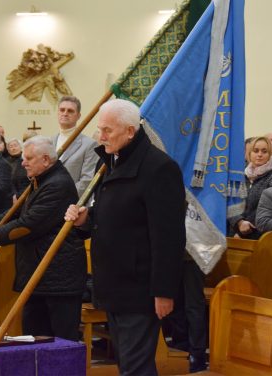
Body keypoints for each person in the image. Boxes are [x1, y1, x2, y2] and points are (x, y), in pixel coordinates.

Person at [65, 99, 186, 376]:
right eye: (99, 130)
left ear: (130, 131)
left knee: (135, 367)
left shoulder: (158, 168)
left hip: (140, 288)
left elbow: (169, 236)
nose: (100, 136)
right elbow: (112, 217)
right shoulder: (110, 162)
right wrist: (86, 220)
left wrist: (164, 291)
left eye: (107, 130)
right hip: (113, 284)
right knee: (129, 365)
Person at [0, 136, 86, 341]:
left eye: (28, 158)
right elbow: (21, 211)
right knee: (35, 336)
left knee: (61, 341)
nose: (23, 162)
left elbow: (30, 225)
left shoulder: (57, 184)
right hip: (39, 272)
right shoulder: (40, 180)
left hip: (57, 276)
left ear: (45, 160)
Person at [228, 136, 272, 240]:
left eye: (264, 151)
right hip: (233, 234)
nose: (259, 154)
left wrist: (243, 230)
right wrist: (239, 222)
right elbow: (231, 201)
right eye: (256, 151)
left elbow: (267, 209)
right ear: (249, 154)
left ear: (270, 154)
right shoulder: (241, 175)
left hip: (259, 236)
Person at [53, 96, 99, 196]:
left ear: (78, 116)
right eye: (62, 110)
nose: (65, 113)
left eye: (70, 111)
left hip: (71, 203)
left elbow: (87, 180)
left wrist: (61, 197)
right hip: (47, 203)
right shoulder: (49, 142)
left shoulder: (89, 144)